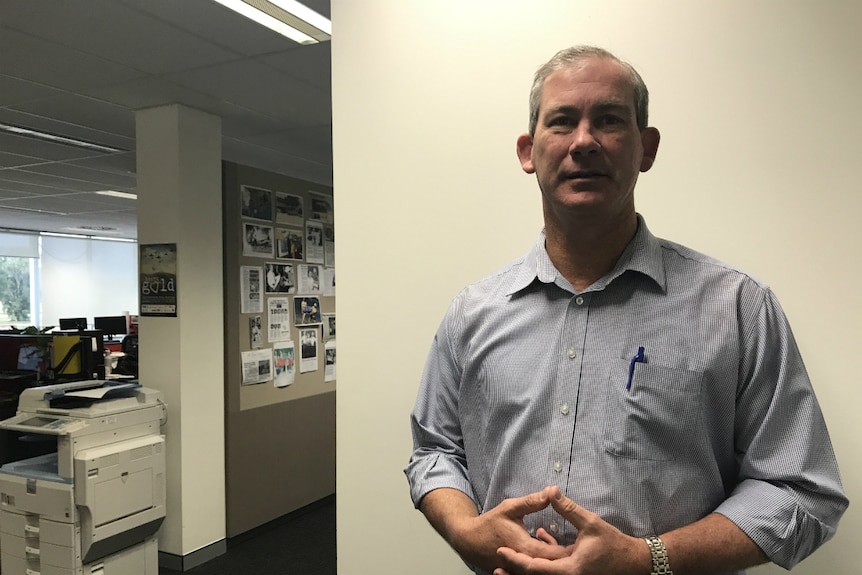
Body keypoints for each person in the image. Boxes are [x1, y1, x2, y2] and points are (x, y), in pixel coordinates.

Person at [405, 45, 848, 575]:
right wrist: (464, 530)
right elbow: (434, 451)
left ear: (647, 147)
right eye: (562, 122)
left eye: (610, 121)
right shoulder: (472, 313)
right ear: (528, 151)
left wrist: (646, 559)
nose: (585, 141)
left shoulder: (737, 307)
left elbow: (801, 490)